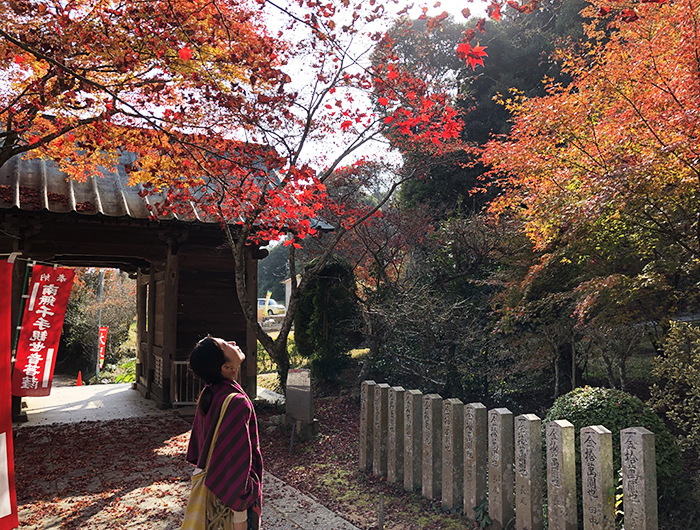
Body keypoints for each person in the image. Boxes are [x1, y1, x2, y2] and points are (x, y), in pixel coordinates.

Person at [186, 336, 263, 530]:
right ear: (226, 367)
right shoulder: (235, 402)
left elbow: (200, 452)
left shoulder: (210, 394)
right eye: (225, 345)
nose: (233, 343)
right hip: (232, 512)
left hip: (214, 502)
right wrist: (241, 520)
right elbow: (235, 467)